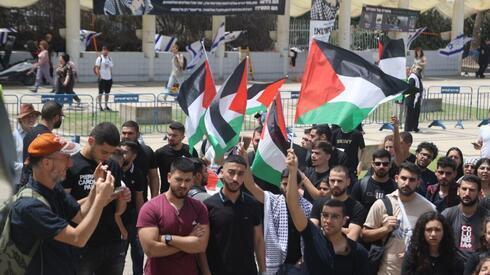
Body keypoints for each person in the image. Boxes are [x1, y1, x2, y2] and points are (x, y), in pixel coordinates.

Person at [10, 133, 115, 274]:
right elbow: (78, 238)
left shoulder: (54, 189)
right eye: (66, 157)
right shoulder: (29, 206)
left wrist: (96, 188)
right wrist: (100, 199)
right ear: (47, 163)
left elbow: (81, 216)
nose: (71, 163)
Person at [285, 149, 369, 275]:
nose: (328, 220)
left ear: (344, 220)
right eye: (325, 215)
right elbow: (293, 205)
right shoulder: (312, 239)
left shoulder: (358, 252)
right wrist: (292, 171)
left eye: (335, 216)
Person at [61, 122, 129, 275]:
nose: (107, 157)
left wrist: (122, 197)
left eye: (110, 153)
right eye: (104, 151)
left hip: (111, 242)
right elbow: (64, 209)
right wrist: (99, 197)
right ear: (91, 141)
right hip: (82, 244)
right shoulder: (71, 165)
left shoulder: (112, 165)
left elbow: (119, 211)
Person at [242, 146, 312, 274]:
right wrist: (245, 161)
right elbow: (251, 185)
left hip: (299, 265)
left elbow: (310, 241)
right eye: (284, 184)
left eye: (290, 183)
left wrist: (302, 261)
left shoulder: (308, 207)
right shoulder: (273, 200)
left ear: (299, 185)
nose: (286, 188)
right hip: (276, 264)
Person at [137, 158, 209, 275]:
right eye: (178, 179)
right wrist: (189, 240)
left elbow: (200, 246)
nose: (183, 185)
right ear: (169, 177)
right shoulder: (150, 208)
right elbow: (151, 250)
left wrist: (167, 238)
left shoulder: (199, 208)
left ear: (193, 181)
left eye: (187, 180)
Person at [362, 161, 436, 275]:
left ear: (418, 182)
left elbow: (436, 241)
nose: (407, 183)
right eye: (403, 178)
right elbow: (365, 235)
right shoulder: (382, 204)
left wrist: (416, 251)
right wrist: (384, 229)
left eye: (412, 180)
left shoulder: (428, 209)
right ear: (396, 178)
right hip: (386, 270)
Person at [202, 154, 265, 275]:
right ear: (221, 173)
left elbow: (258, 240)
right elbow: (201, 245)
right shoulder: (207, 206)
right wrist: (206, 271)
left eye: (241, 174)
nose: (235, 178)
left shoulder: (252, 204)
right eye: (231, 172)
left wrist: (263, 270)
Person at [310, 165, 366, 241]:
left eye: (339, 181)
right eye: (332, 181)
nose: (335, 184)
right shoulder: (319, 203)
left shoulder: (357, 208)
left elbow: (351, 238)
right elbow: (311, 232)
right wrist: (342, 230)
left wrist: (324, 229)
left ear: (348, 182)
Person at [442, 175, 490, 262]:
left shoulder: (487, 217)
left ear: (479, 194)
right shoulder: (448, 214)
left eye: (472, 190)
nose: (467, 193)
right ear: (458, 191)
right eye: (464, 189)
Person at [21, 101, 63, 185]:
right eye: (61, 117)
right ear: (56, 118)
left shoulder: (30, 133)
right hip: (37, 185)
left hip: (27, 181)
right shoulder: (48, 138)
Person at [119, 140, 145, 275]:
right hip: (116, 218)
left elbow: (139, 198)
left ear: (134, 156)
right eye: (120, 151)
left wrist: (141, 224)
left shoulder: (138, 173)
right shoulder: (112, 169)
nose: (121, 155)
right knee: (118, 256)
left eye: (125, 152)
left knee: (138, 253)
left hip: (133, 217)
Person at [155, 122, 197, 193]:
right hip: (167, 193)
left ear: (182, 137)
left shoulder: (191, 151)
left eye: (174, 136)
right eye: (169, 134)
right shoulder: (160, 153)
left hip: (186, 193)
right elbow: (153, 176)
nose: (170, 138)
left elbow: (195, 174)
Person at [121, 120, 160, 198]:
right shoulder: (114, 152)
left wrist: (154, 198)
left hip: (141, 199)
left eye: (130, 133)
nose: (126, 136)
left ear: (138, 135)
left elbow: (153, 177)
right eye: (124, 133)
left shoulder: (147, 152)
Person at [12, 104, 40, 186]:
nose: (31, 119)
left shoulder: (37, 134)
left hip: (34, 182)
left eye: (34, 116)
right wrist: (27, 167)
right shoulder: (13, 136)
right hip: (17, 182)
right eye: (28, 116)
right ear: (21, 119)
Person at [404, 65, 423, 132]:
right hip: (412, 99)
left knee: (415, 115)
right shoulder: (413, 77)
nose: (419, 71)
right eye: (417, 69)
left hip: (416, 99)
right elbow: (411, 88)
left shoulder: (417, 77)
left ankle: (414, 127)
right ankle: (407, 129)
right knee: (409, 115)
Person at [94, 46, 113, 111]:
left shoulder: (109, 58)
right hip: (102, 78)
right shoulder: (100, 58)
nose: (105, 51)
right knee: (100, 93)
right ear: (102, 51)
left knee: (107, 93)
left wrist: (111, 76)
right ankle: (99, 106)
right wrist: (99, 76)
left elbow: (110, 68)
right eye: (104, 50)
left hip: (109, 79)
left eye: (106, 50)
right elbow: (96, 68)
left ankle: (106, 105)